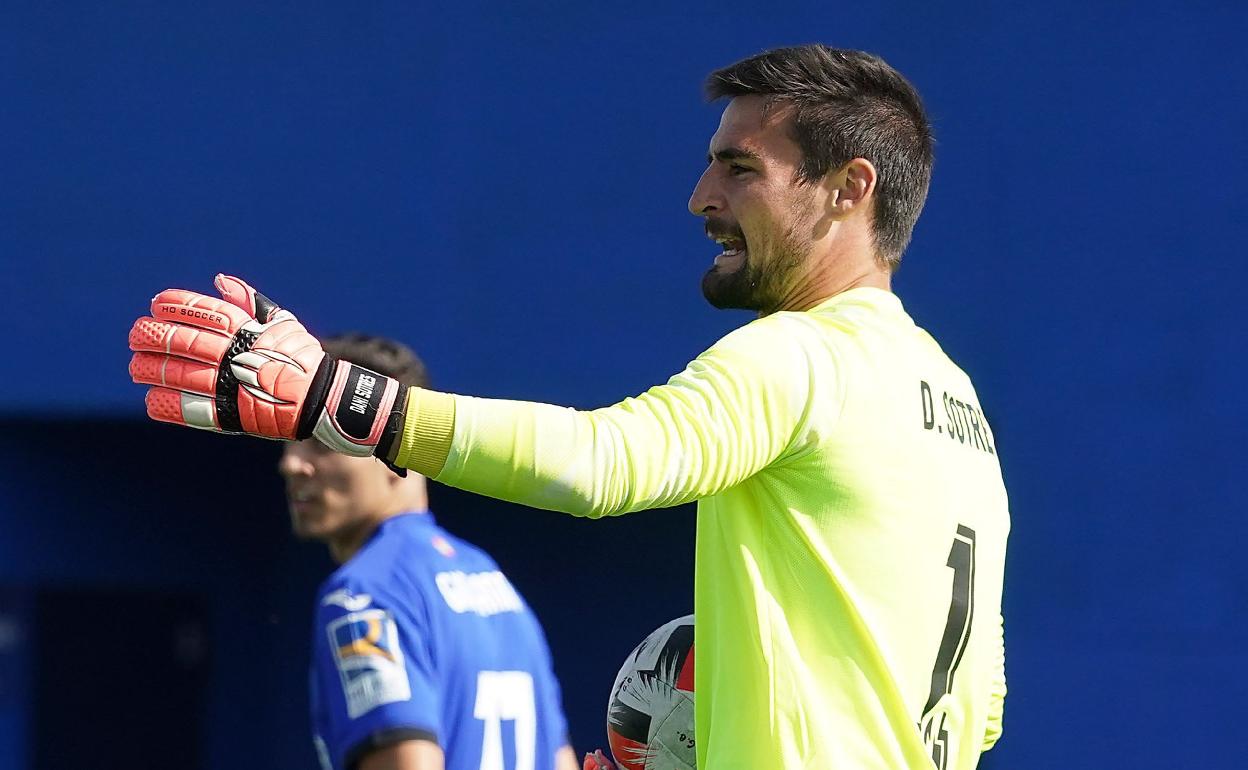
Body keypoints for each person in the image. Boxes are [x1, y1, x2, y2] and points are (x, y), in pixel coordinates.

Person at [129, 45, 1009, 769]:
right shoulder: (959, 412)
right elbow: (984, 704)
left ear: (849, 190)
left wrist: (342, 400)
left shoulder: (805, 356)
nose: (701, 196)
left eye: (741, 169)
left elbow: (600, 462)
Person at [278, 333, 579, 770]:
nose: (291, 463)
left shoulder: (363, 595)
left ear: (399, 447)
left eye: (324, 441)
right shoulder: (496, 587)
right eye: (292, 438)